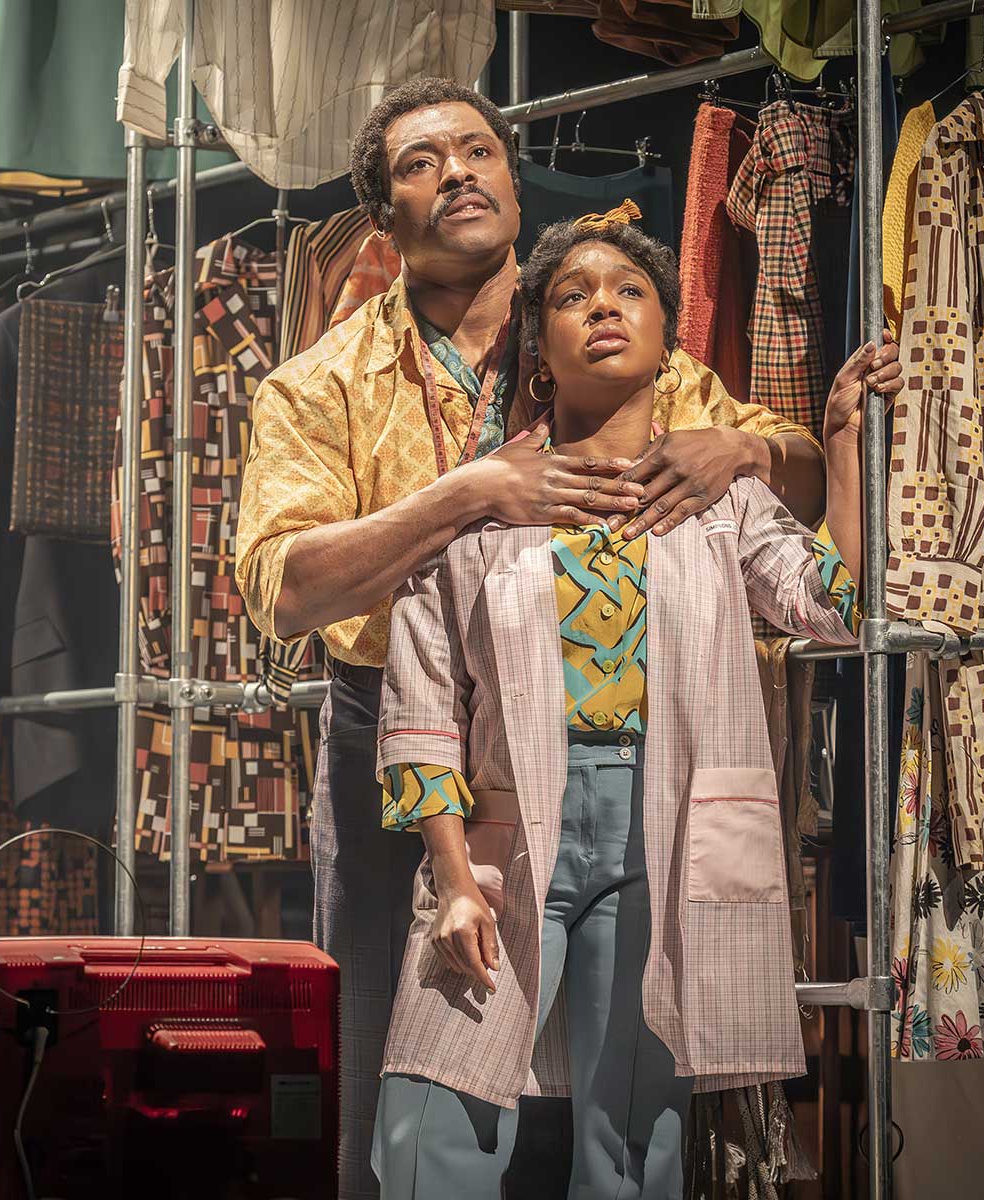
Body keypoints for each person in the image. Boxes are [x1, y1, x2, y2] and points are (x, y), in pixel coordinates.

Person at [235, 78, 831, 1199]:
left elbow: (786, 471)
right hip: (404, 742)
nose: (457, 171)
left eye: (477, 151)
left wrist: (745, 454)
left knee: (620, 1075)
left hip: (615, 741)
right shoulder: (320, 385)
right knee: (405, 1080)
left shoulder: (596, 316)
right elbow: (282, 587)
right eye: (421, 162)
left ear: (513, 177)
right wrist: (462, 496)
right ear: (382, 214)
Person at [367, 213, 902, 1198]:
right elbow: (423, 706)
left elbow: (842, 609)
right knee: (435, 1111)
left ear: (666, 339)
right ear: (541, 347)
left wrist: (836, 450)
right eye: (572, 295)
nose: (602, 306)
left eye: (628, 292)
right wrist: (449, 879)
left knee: (633, 1134)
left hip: (660, 830)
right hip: (499, 834)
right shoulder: (480, 502)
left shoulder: (720, 503)